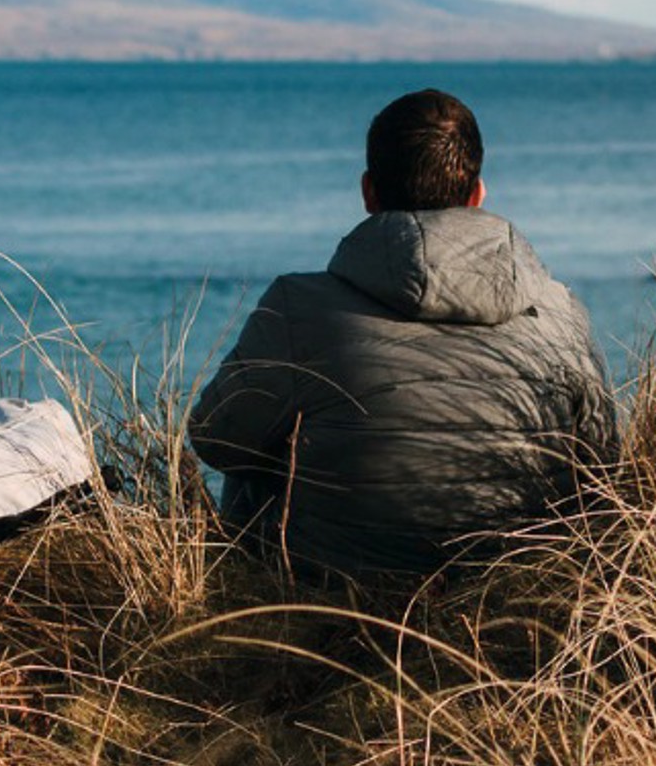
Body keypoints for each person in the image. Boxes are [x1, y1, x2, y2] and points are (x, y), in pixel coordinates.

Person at [189, 87, 617, 579]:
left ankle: (244, 605)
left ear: (368, 192)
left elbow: (216, 441)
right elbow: (601, 474)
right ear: (477, 195)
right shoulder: (561, 312)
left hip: (333, 592)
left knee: (255, 445)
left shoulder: (298, 307)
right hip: (517, 591)